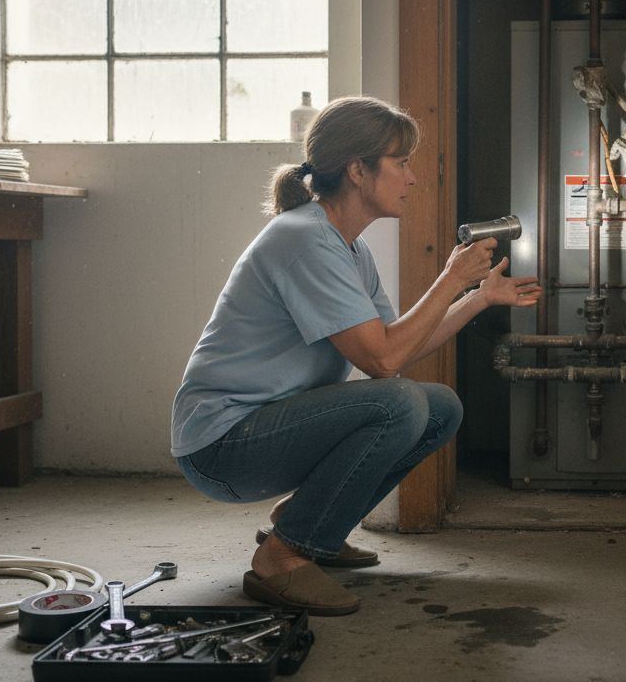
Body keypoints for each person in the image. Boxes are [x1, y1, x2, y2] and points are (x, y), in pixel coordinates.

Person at [171, 96, 540, 616]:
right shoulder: (305, 240)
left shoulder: (348, 247)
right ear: (358, 171)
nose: (412, 178)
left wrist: (477, 297)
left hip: (265, 432)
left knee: (439, 407)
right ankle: (283, 557)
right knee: (399, 404)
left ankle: (305, 522)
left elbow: (399, 346)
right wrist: (451, 277)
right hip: (223, 444)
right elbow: (384, 364)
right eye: (402, 162)